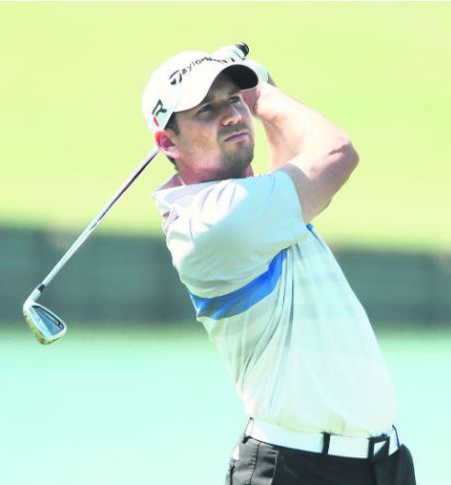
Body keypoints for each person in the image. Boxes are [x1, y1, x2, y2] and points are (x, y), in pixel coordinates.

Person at [141, 44, 417, 485]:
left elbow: (287, 167)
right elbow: (335, 154)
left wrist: (251, 92)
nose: (230, 115)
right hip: (296, 468)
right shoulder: (215, 222)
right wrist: (260, 93)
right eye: (206, 110)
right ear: (167, 142)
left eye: (232, 100)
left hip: (380, 465)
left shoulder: (254, 206)